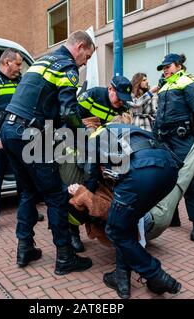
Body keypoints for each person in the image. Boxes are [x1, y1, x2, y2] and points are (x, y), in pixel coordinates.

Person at [0, 31, 95, 274]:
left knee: (27, 192)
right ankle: (65, 257)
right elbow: (67, 110)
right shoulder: (67, 66)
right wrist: (83, 135)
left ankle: (25, 248)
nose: (86, 62)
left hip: (9, 130)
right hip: (30, 134)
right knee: (55, 195)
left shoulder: (43, 60)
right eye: (88, 55)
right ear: (80, 47)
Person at [78, 117, 182, 299]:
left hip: (139, 172)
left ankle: (156, 275)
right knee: (126, 224)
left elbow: (90, 173)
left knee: (115, 229)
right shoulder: (128, 129)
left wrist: (89, 190)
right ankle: (122, 278)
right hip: (169, 171)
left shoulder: (96, 135)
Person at [0, 49, 43, 237]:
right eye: (18, 64)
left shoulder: (20, 81)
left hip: (18, 140)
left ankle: (29, 212)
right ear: (6, 62)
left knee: (24, 179)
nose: (20, 68)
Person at [66, 75, 133, 253]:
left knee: (93, 190)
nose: (121, 102)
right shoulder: (93, 95)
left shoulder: (123, 108)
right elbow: (71, 116)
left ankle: (95, 222)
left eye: (124, 99)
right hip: (76, 148)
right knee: (74, 187)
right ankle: (72, 232)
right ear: (110, 89)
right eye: (118, 97)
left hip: (101, 155)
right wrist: (87, 137)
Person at [153, 53, 194, 241]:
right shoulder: (164, 86)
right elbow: (159, 116)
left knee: (191, 181)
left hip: (183, 138)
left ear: (178, 65)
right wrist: (154, 136)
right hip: (165, 139)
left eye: (167, 66)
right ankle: (173, 216)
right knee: (167, 177)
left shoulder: (189, 81)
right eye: (163, 67)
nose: (165, 70)